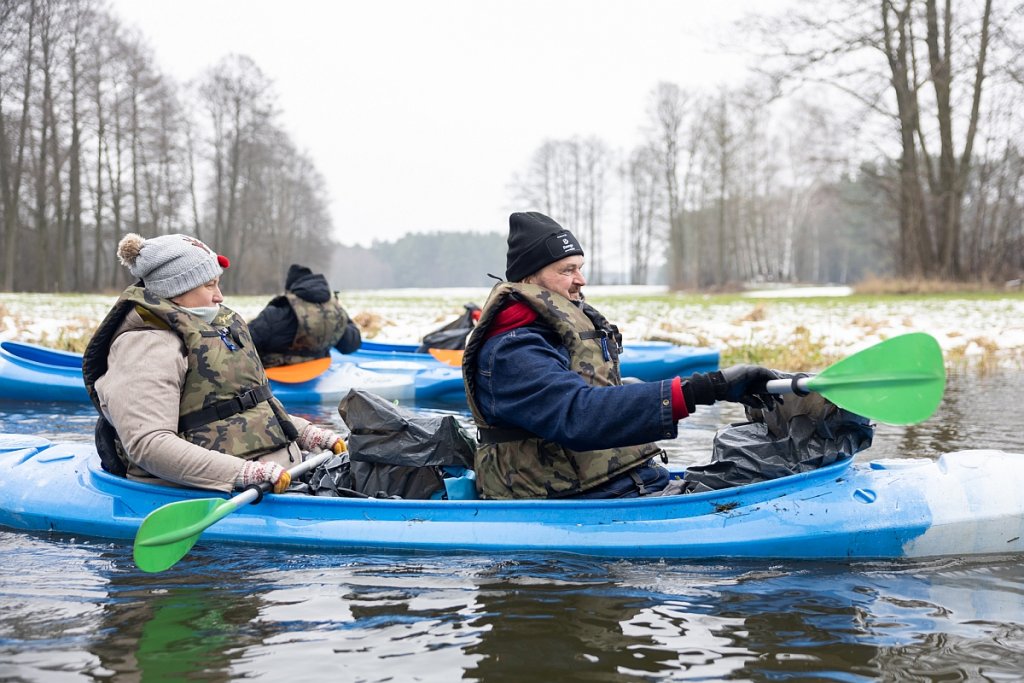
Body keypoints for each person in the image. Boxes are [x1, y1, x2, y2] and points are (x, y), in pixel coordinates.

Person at [462, 212, 780, 500]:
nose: (581, 280)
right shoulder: (511, 351)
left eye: (580, 268)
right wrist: (704, 389)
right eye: (567, 270)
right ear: (530, 279)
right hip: (563, 498)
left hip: (618, 484)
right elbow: (577, 415)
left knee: (762, 464)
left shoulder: (549, 334)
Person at [82, 234, 346, 494]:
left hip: (280, 475)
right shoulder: (147, 346)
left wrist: (306, 433)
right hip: (205, 491)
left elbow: (245, 410)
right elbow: (148, 444)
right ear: (177, 288)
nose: (219, 296)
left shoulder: (214, 328)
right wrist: (241, 473)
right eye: (209, 285)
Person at [248, 263, 361, 367]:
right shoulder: (335, 311)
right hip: (318, 368)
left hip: (279, 371)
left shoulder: (276, 313)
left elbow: (245, 343)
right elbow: (351, 345)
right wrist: (342, 315)